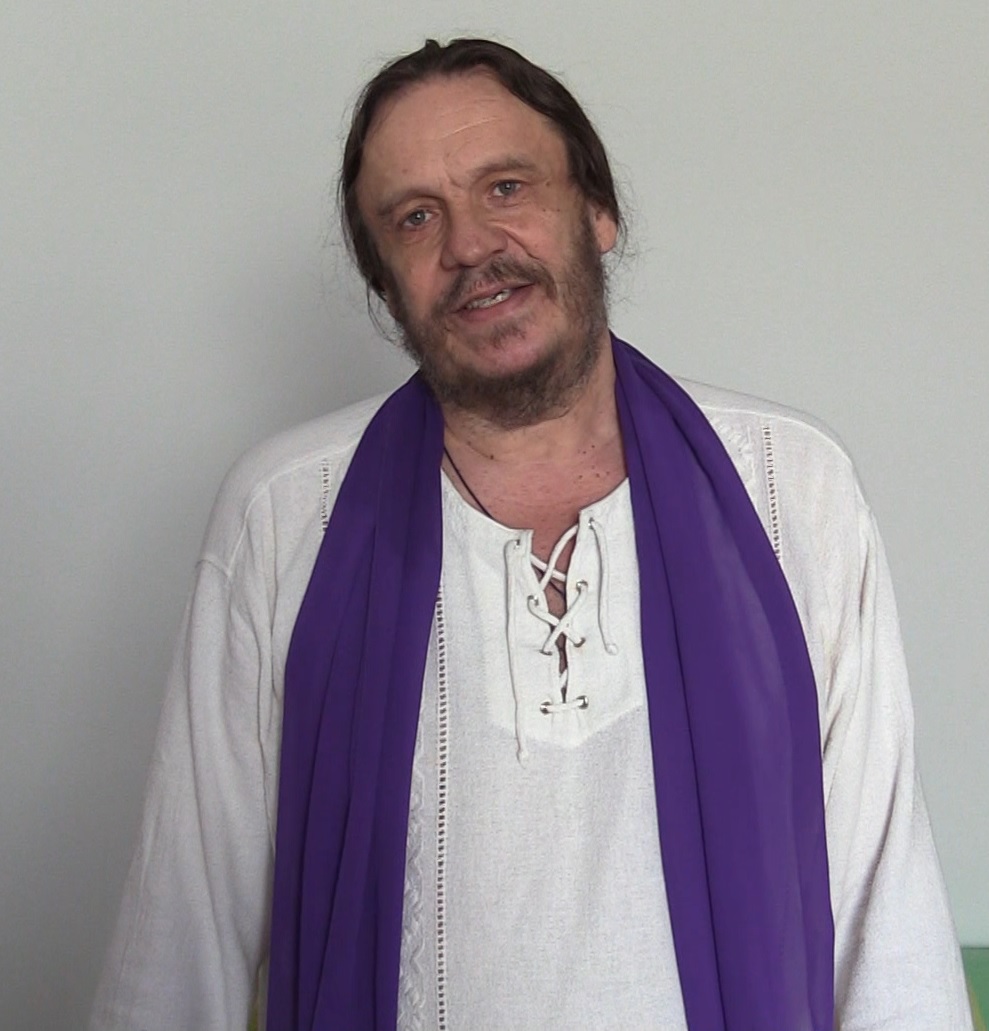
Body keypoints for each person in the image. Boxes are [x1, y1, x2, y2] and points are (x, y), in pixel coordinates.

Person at [90, 37, 971, 1031]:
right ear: (383, 281)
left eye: (505, 187)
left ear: (596, 210)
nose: (469, 244)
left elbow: (884, 914)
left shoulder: (791, 488)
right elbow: (181, 932)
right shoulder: (285, 514)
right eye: (415, 217)